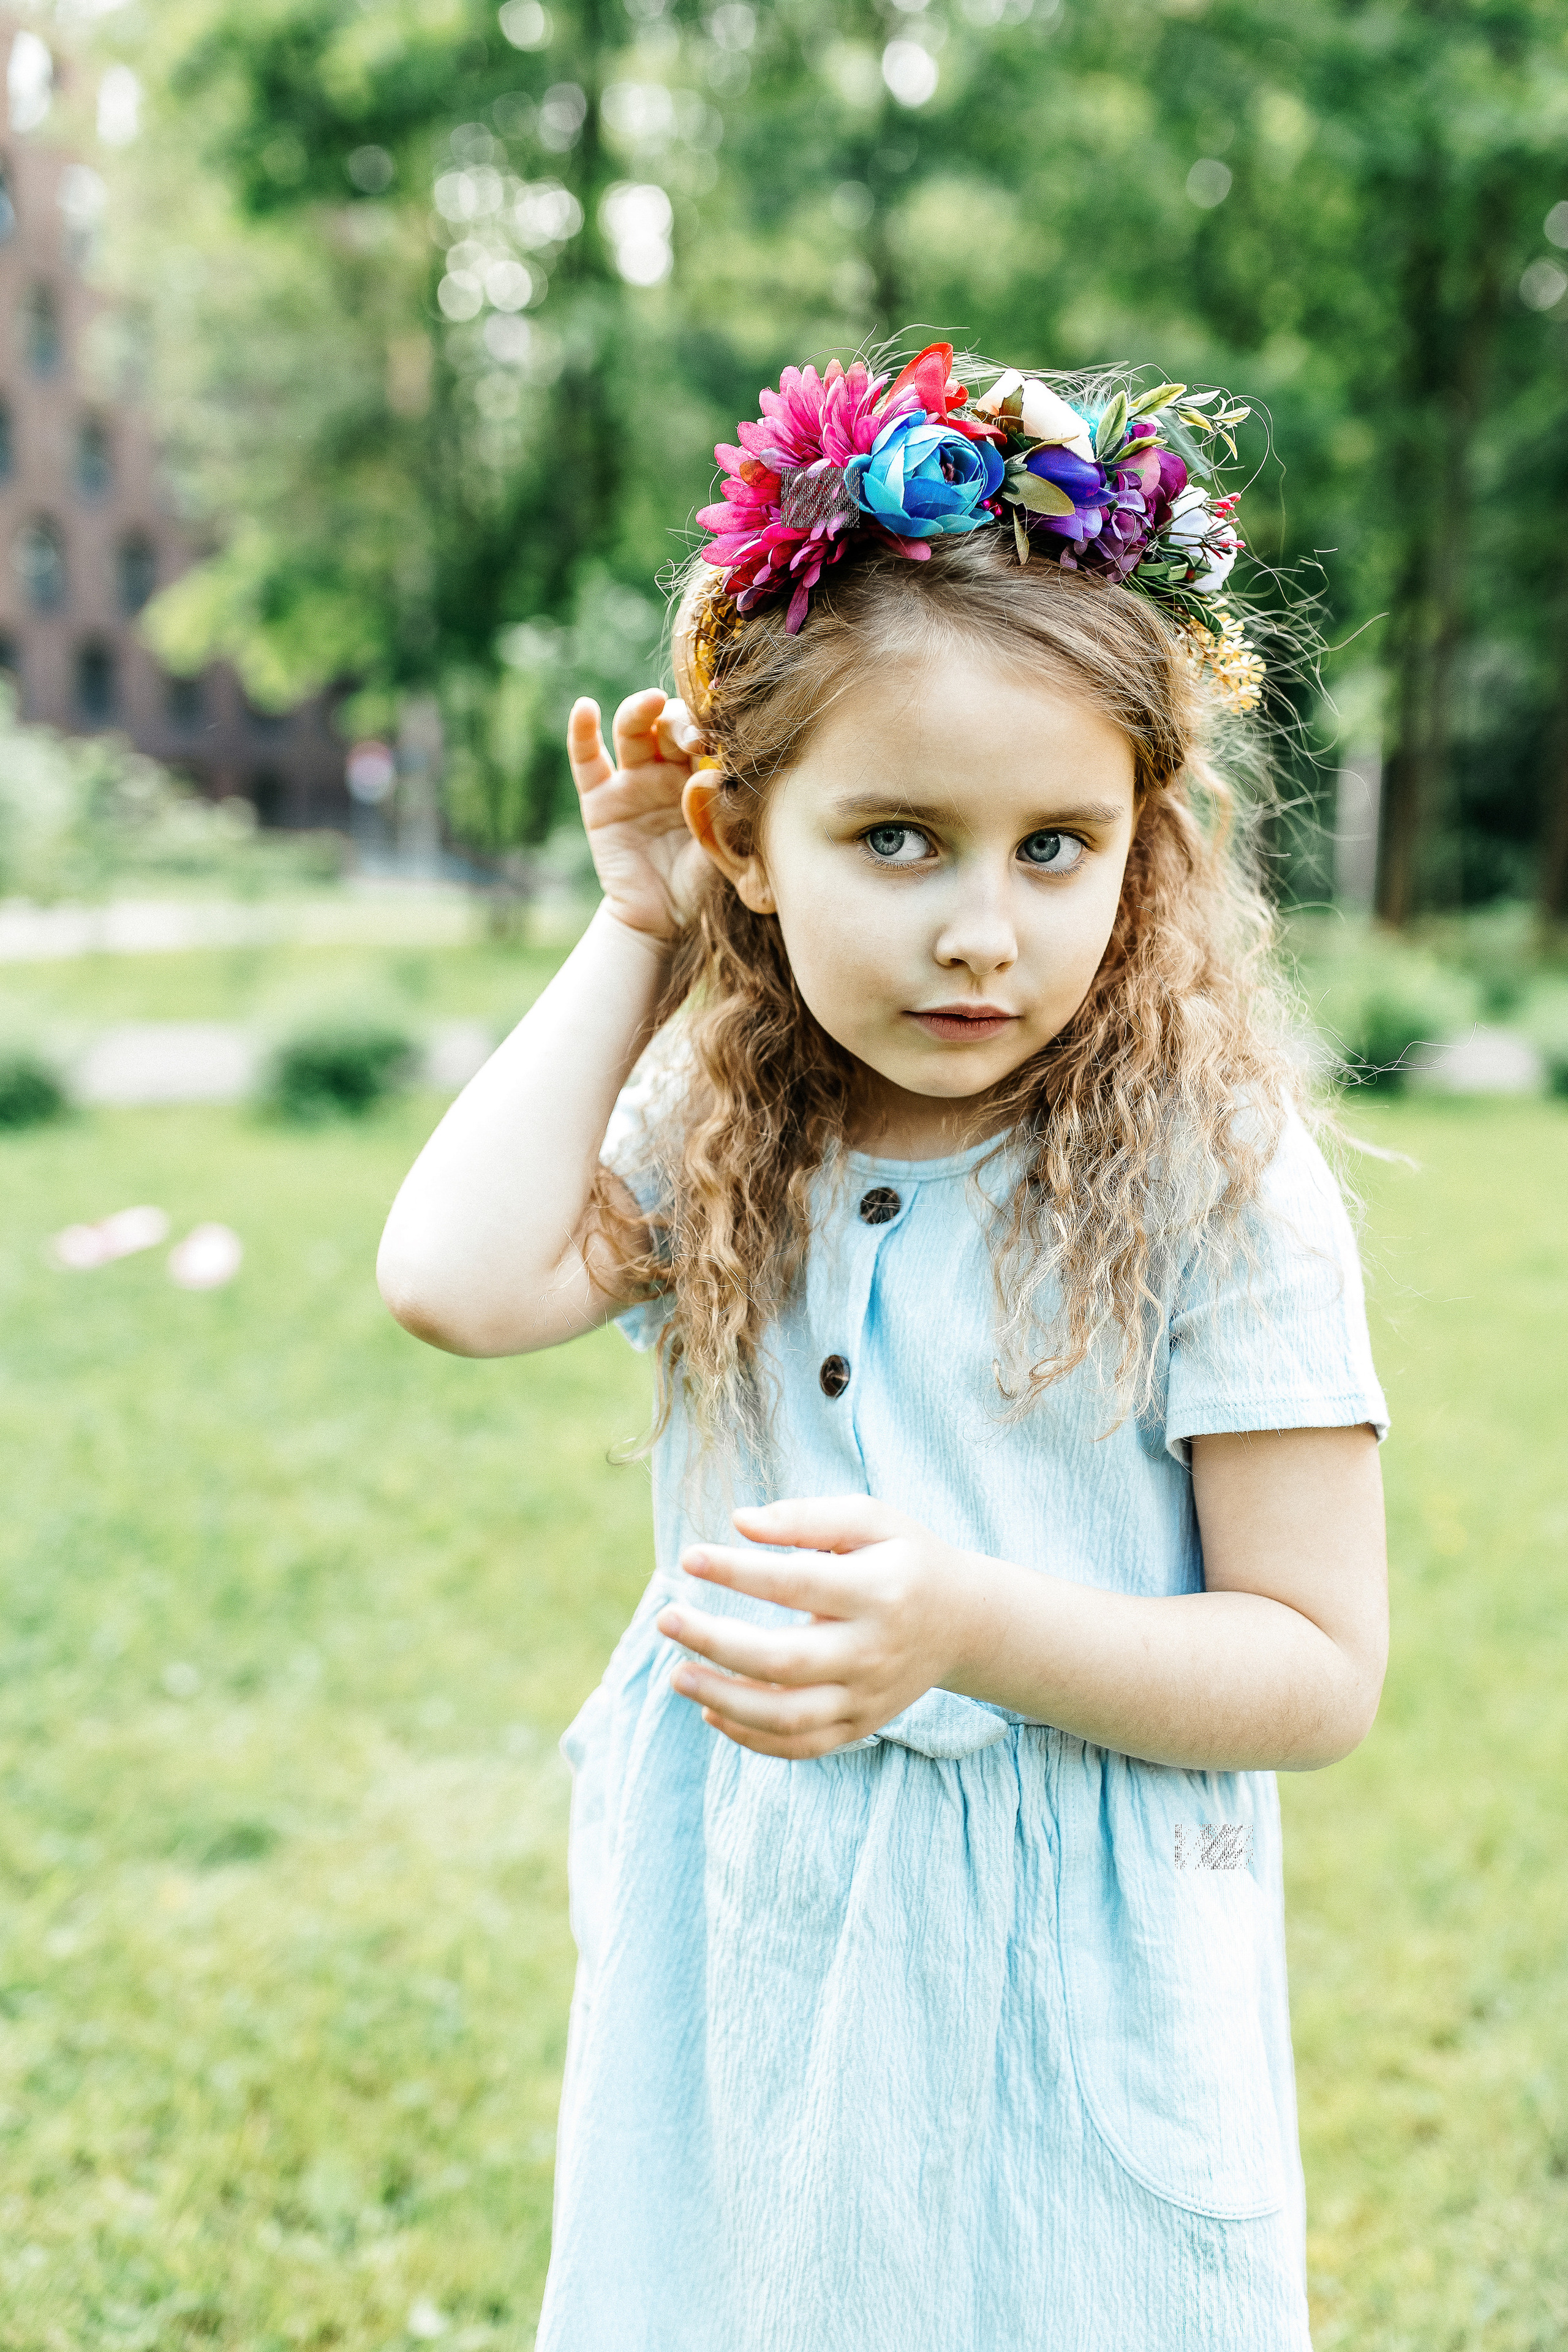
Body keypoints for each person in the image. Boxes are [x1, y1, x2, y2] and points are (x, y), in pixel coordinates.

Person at [377, 343, 1389, 2351]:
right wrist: (634, 931)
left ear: (1141, 841)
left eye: (1054, 846)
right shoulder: (722, 1107)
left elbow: (1318, 1667)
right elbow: (460, 1281)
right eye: (897, 839)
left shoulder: (1218, 1174)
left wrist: (972, 1628)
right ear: (751, 839)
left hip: (1067, 1991)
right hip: (752, 1928)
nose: (980, 932)